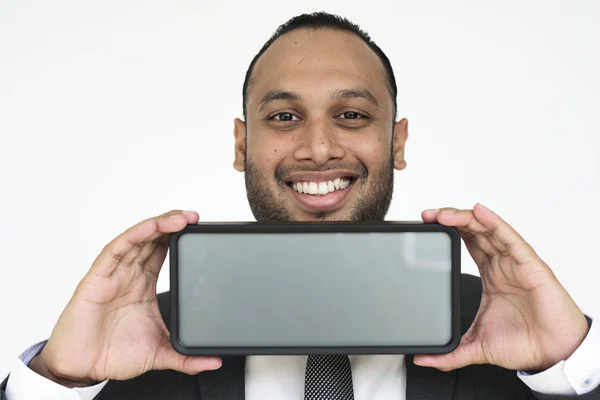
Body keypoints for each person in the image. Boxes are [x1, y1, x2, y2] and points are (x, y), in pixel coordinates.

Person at [2, 12, 599, 400]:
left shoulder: (502, 335)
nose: (317, 147)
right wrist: (61, 383)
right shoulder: (146, 344)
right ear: (242, 145)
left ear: (398, 142)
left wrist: (571, 368)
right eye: (284, 117)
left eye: (353, 116)